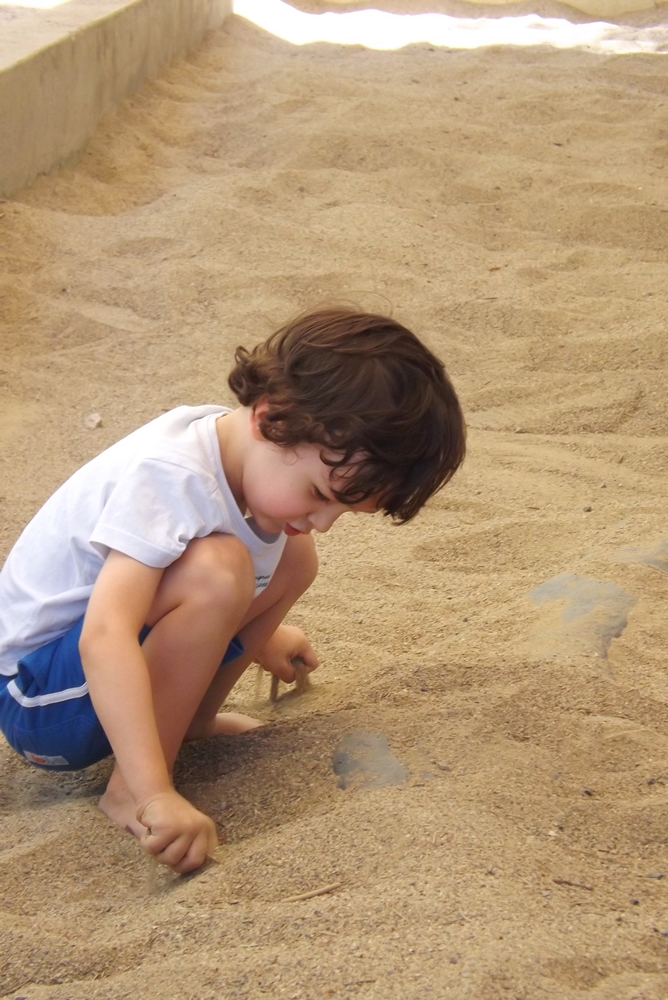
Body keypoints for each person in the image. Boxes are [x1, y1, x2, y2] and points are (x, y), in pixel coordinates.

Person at [0, 308, 465, 873]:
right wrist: (154, 794)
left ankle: (189, 722)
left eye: (345, 509)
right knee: (217, 570)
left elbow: (227, 576)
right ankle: (131, 788)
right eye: (320, 493)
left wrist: (256, 631)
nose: (324, 520)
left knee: (295, 557)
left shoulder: (246, 461)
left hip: (86, 677)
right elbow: (105, 634)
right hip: (35, 700)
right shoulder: (174, 474)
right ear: (269, 420)